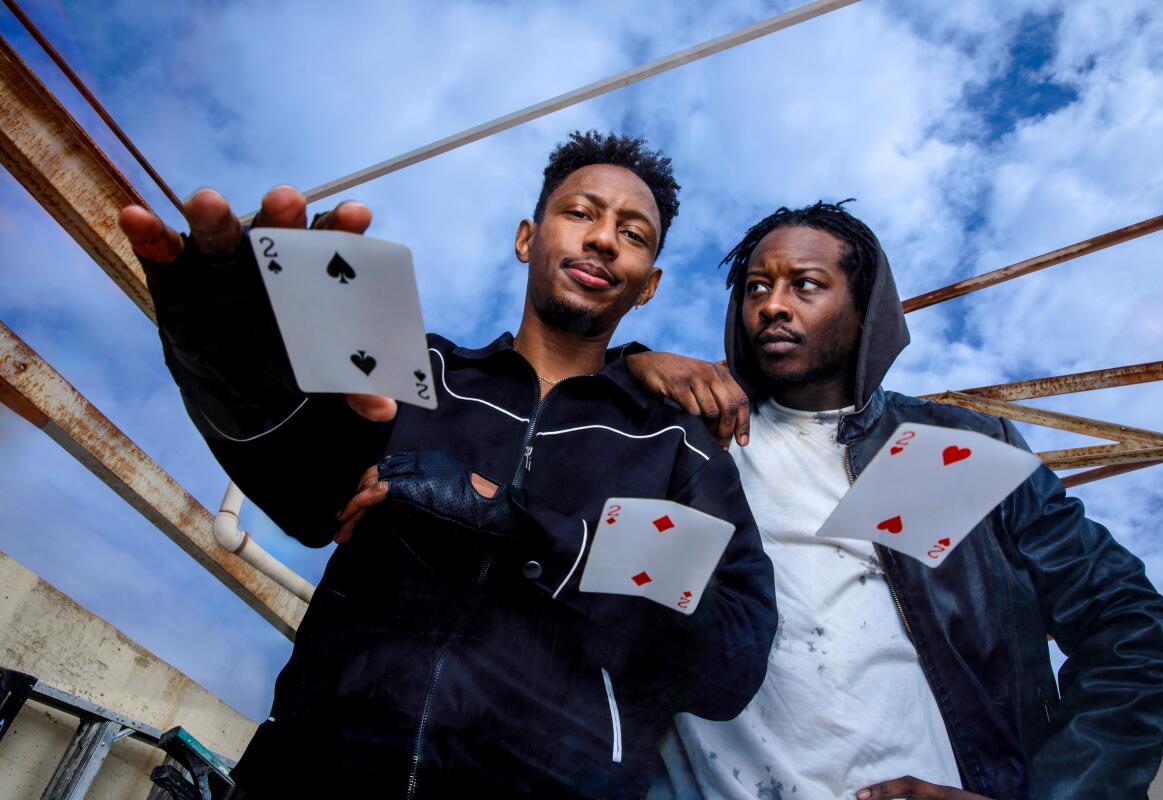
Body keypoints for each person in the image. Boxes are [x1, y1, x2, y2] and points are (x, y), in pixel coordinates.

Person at [117, 131, 777, 798]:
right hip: (312, 774)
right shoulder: (416, 371)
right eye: (581, 213)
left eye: (633, 234)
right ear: (526, 238)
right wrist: (227, 384)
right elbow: (312, 502)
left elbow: (733, 657)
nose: (604, 239)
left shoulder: (676, 445)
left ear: (650, 286)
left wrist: (532, 532)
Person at [627, 202, 1163, 799]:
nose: (772, 305)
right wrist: (628, 362)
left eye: (807, 285)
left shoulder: (946, 452)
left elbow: (1133, 634)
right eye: (756, 287)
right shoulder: (688, 446)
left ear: (866, 310)